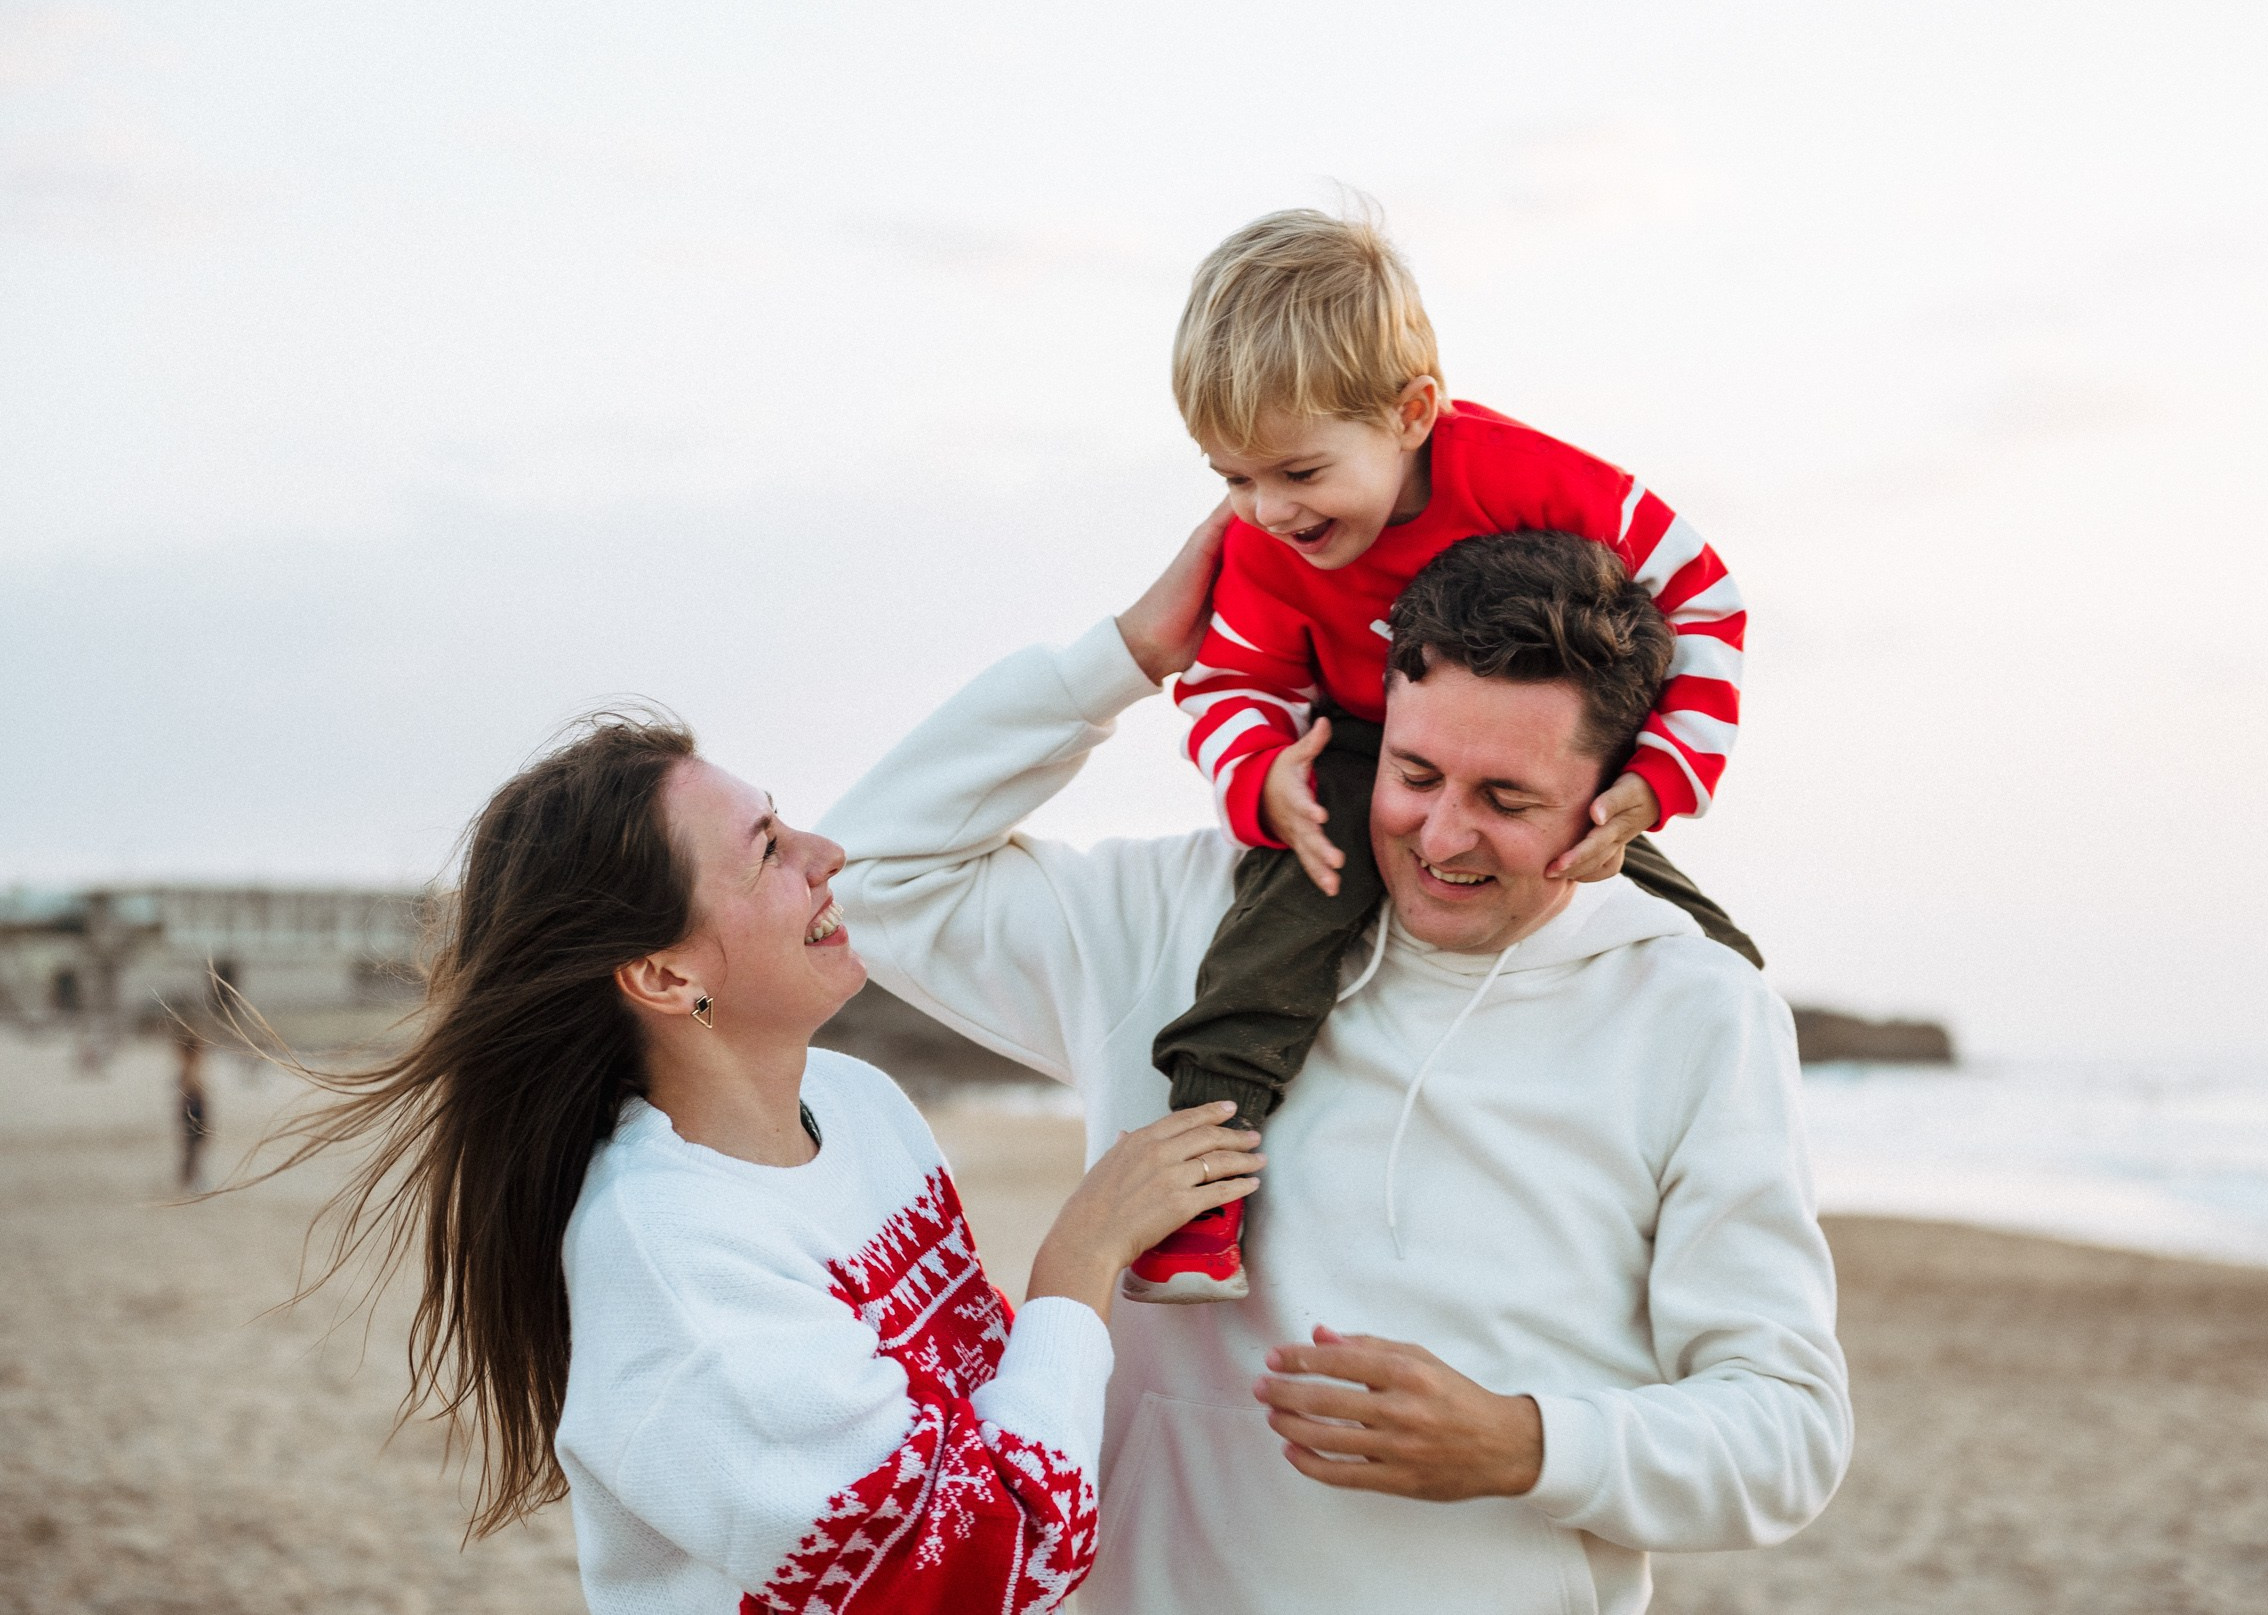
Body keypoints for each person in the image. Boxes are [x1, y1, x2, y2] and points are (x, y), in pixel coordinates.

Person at [823, 522, 1850, 1615]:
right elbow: (870, 875)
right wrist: (1124, 655)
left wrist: (1523, 1442)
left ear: (1616, 800)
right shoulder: (1183, 918)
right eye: (1413, 773)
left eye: (1505, 799)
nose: (1441, 835)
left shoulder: (1695, 1010)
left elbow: (1786, 1431)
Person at [248, 713, 1261, 1614]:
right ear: (662, 972)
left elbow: (975, 1416)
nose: (828, 854)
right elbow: (984, 1573)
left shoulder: (861, 1101)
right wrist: (1078, 1260)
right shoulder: (672, 1257)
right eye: (768, 848)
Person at [1133, 206, 1759, 1302]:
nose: (1267, 510)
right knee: (1278, 929)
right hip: (1349, 746)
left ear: (1414, 413)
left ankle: (1728, 1144)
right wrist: (1261, 775)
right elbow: (1230, 681)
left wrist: (1653, 779)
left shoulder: (1522, 474)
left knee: (1705, 946)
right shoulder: (1266, 547)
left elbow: (1702, 593)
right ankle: (1200, 1197)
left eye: (1297, 471)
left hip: (1524, 758)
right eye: (1231, 478)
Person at [173, 1024, 210, 1192]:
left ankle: (189, 1177)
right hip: (193, 1106)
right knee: (193, 1145)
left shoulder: (189, 1065)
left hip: (191, 1106)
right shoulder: (190, 1066)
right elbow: (192, 1091)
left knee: (192, 1145)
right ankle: (190, 1178)